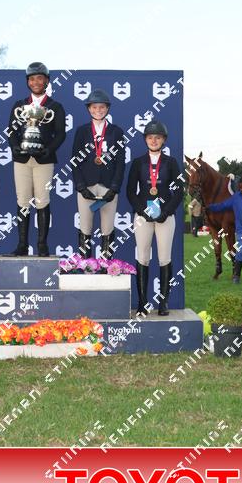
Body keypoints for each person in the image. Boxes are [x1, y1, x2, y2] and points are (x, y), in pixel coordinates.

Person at [7, 62, 66, 257]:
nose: (36, 82)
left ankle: (42, 245)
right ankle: (22, 245)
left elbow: (60, 134)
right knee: (22, 200)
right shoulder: (19, 105)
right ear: (27, 82)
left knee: (42, 200)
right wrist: (15, 147)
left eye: (40, 78)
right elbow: (12, 131)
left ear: (47, 81)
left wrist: (49, 150)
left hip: (44, 160)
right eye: (32, 79)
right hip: (21, 159)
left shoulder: (55, 106)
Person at [126, 120, 184, 316]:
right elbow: (130, 191)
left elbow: (178, 191)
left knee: (164, 257)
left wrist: (166, 211)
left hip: (165, 217)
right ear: (145, 139)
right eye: (150, 137)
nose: (154, 140)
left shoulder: (171, 162)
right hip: (143, 217)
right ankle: (142, 303)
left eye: (157, 138)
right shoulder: (138, 162)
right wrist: (142, 210)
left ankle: (164, 302)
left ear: (164, 140)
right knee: (142, 257)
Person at [71, 89, 126, 258]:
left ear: (107, 108)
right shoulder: (82, 131)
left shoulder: (116, 131)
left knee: (107, 228)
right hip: (87, 185)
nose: (98, 110)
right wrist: (81, 186)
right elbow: (75, 161)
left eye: (102, 107)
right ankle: (85, 265)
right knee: (85, 227)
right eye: (94, 107)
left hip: (107, 186)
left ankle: (106, 266)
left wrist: (114, 188)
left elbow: (120, 163)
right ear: (89, 109)